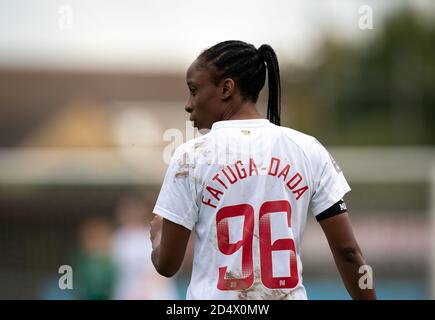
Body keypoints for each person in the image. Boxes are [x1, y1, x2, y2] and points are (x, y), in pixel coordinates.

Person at [150, 40, 376, 300]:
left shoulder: (190, 157)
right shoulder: (307, 149)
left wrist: (157, 235)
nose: (188, 104)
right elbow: (348, 252)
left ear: (226, 88)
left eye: (194, 90)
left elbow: (167, 265)